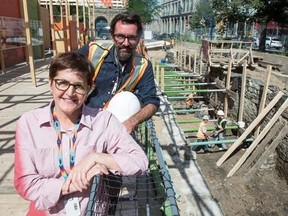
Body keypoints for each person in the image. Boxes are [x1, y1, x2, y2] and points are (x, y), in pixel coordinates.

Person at [14, 52, 148, 215]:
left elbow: (140, 161)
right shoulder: (29, 124)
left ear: (88, 90)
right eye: (62, 83)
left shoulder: (103, 121)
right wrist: (69, 185)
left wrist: (96, 158)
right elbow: (24, 183)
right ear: (50, 84)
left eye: (78, 86)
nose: (70, 93)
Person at [78, 12, 160, 134]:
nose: (126, 43)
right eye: (120, 36)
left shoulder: (143, 66)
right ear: (112, 35)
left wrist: (132, 122)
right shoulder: (92, 52)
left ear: (138, 39)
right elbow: (61, 70)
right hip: (82, 124)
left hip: (113, 130)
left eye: (132, 38)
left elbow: (151, 102)